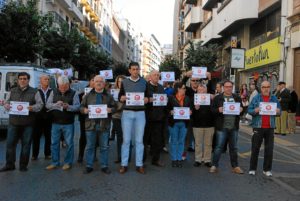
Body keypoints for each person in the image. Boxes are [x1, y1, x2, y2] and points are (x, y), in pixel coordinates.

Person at [0, 72, 43, 172]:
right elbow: (7, 102)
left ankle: (23, 165)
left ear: (28, 80)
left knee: (26, 145)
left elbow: (40, 105)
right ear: (18, 80)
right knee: (10, 144)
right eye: (20, 79)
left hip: (28, 123)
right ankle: (9, 165)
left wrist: (32, 108)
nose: (22, 80)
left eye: (25, 79)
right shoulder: (12, 90)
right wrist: (6, 105)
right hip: (13, 122)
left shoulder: (35, 91)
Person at [80, 75, 115, 174]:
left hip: (104, 125)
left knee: (104, 147)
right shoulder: (87, 95)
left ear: (104, 84)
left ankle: (104, 165)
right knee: (90, 146)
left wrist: (110, 109)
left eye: (101, 81)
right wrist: (84, 110)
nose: (99, 83)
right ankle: (89, 165)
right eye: (97, 81)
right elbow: (81, 107)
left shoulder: (109, 96)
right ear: (93, 83)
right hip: (90, 125)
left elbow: (115, 107)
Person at [118, 62, 149, 174]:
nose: (136, 71)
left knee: (139, 141)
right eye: (133, 69)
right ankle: (124, 164)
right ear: (129, 70)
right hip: (127, 113)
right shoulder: (125, 82)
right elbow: (119, 96)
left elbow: (148, 97)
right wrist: (121, 98)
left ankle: (139, 164)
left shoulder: (144, 82)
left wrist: (147, 99)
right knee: (126, 140)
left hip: (140, 113)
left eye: (137, 69)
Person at [46, 76, 80, 171]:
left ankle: (68, 162)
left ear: (68, 85)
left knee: (69, 143)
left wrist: (68, 107)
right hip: (55, 122)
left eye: (65, 87)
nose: (63, 89)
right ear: (58, 85)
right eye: (61, 87)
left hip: (68, 122)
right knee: (54, 143)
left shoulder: (74, 93)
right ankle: (54, 162)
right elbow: (47, 105)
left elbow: (77, 107)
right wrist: (55, 104)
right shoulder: (53, 92)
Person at [210, 80, 244, 174]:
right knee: (218, 147)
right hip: (222, 126)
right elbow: (212, 110)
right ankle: (214, 165)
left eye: (230, 87)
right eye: (226, 86)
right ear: (223, 87)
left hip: (234, 126)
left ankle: (235, 166)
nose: (228, 88)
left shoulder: (237, 97)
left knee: (234, 148)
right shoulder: (218, 98)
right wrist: (218, 110)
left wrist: (242, 110)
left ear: (232, 87)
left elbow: (242, 110)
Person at [247, 81, 281, 177]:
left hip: (270, 127)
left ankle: (267, 169)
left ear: (270, 87)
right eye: (264, 87)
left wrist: (278, 111)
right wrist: (255, 110)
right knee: (255, 149)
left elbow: (280, 111)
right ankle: (252, 168)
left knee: (269, 149)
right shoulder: (256, 98)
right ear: (261, 88)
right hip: (258, 126)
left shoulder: (274, 98)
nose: (266, 89)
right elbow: (249, 110)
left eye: (268, 87)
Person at [144, 70, 167, 167]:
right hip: (147, 117)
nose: (157, 77)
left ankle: (155, 160)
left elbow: (164, 101)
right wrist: (148, 100)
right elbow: (142, 100)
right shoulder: (145, 86)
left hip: (158, 118)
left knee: (157, 140)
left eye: (158, 75)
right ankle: (142, 160)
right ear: (150, 77)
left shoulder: (161, 87)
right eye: (155, 75)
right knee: (144, 139)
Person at [167, 82, 191, 168]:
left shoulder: (187, 98)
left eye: (185, 88)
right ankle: (174, 159)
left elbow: (190, 109)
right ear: (178, 89)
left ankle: (179, 158)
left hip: (184, 123)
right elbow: (166, 109)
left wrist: (191, 112)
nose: (185, 90)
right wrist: (170, 112)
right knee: (174, 141)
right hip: (173, 123)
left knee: (181, 141)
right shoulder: (171, 98)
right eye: (183, 88)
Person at [192, 84, 214, 168]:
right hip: (197, 124)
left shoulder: (211, 98)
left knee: (208, 144)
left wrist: (213, 97)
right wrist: (195, 108)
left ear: (206, 90)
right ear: (197, 90)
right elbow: (189, 112)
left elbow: (215, 108)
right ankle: (198, 159)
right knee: (198, 143)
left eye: (203, 90)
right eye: (200, 90)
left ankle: (207, 160)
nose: (201, 91)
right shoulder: (194, 98)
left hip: (210, 124)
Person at [31, 75, 52, 161]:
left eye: (48, 79)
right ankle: (34, 155)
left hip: (49, 116)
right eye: (45, 79)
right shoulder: (35, 90)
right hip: (37, 116)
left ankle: (47, 154)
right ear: (40, 80)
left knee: (48, 136)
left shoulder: (52, 90)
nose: (47, 80)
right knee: (36, 136)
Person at [78, 75, 95, 163]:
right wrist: (82, 100)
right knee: (83, 136)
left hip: (95, 118)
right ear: (89, 81)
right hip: (84, 118)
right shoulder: (82, 93)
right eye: (92, 80)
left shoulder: (100, 92)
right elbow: (78, 107)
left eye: (96, 80)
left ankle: (94, 155)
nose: (94, 82)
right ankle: (81, 155)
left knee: (95, 136)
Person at [112, 75, 126, 163]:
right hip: (116, 117)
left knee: (127, 138)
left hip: (127, 117)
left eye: (122, 82)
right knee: (120, 137)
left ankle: (126, 156)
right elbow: (111, 105)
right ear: (116, 83)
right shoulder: (113, 92)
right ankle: (120, 156)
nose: (120, 83)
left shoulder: (128, 92)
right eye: (119, 82)